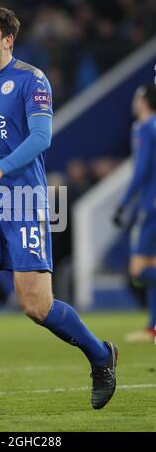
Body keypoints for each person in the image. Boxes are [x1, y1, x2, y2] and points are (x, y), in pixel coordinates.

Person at [0, 6, 117, 416]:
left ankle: (100, 354)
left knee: (36, 305)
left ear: (8, 40)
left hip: (23, 200)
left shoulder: (32, 80)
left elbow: (42, 137)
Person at [113, 84, 156, 342]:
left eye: (138, 96)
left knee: (138, 271)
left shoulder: (143, 128)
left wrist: (124, 204)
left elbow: (140, 171)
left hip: (149, 207)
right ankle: (153, 327)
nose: (134, 100)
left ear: (145, 101)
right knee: (151, 266)